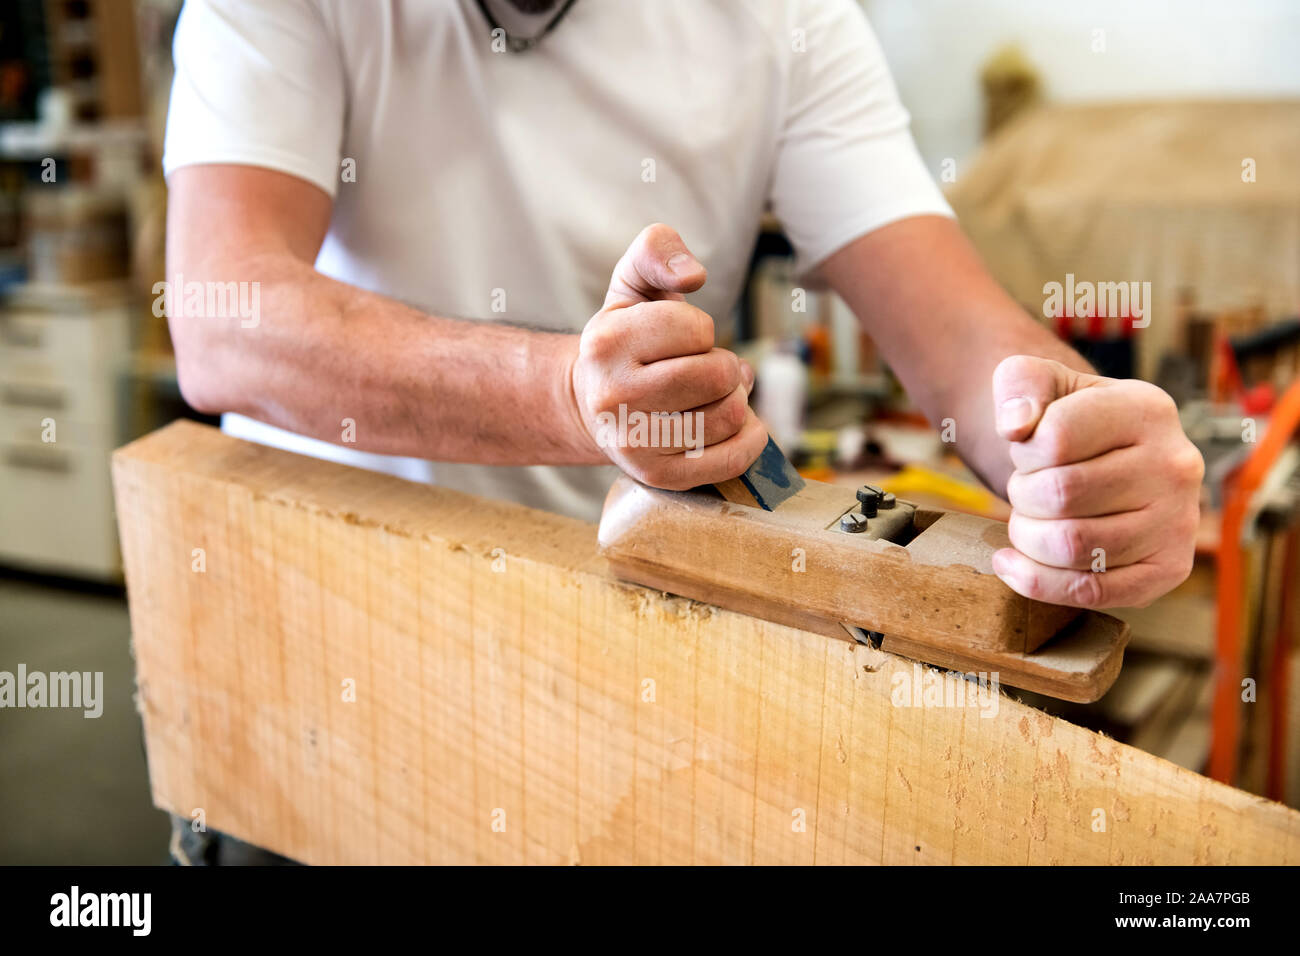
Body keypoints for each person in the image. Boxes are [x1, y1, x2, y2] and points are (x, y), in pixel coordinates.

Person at [161, 0, 1203, 862]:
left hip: (626, 679)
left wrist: (1069, 447)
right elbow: (221, 319)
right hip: (321, 678)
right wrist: (567, 393)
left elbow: (954, 331)